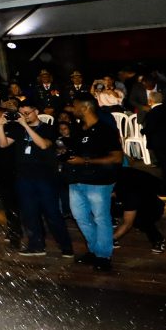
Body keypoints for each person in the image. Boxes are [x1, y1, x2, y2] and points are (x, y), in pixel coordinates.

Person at [62, 96, 124, 272]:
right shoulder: (79, 130)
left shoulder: (105, 130)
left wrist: (86, 161)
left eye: (75, 106)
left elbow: (117, 157)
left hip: (99, 181)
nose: (72, 110)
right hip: (76, 180)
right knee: (80, 216)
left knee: (101, 217)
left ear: (86, 107)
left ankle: (104, 255)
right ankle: (95, 249)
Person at [1, 104, 68, 257]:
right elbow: (3, 143)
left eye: (27, 113)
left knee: (52, 213)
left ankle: (66, 247)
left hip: (45, 177)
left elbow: (43, 144)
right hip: (24, 177)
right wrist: (0, 126)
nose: (24, 116)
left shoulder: (48, 128)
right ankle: (36, 245)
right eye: (21, 113)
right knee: (29, 213)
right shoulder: (18, 129)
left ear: (36, 111)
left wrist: (26, 126)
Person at [111, 167, 166, 253]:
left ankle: (158, 240)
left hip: (152, 206)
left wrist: (111, 239)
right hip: (141, 189)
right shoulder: (111, 175)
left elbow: (127, 224)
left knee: (142, 220)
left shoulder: (129, 193)